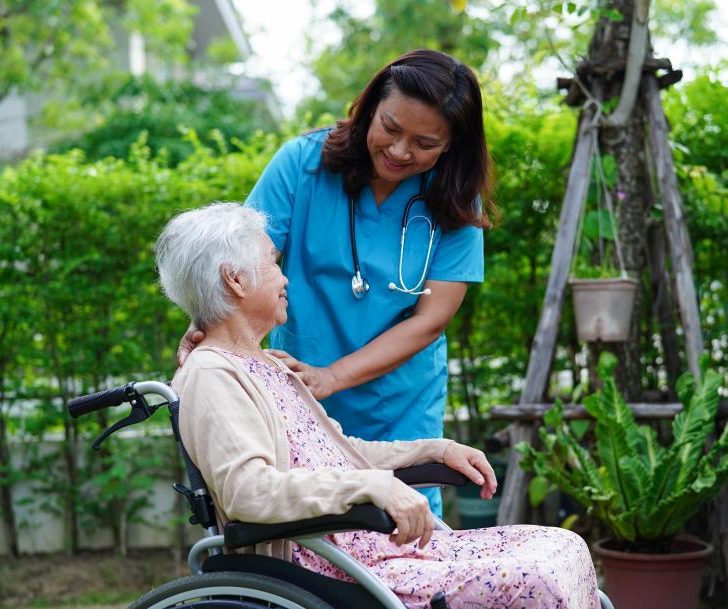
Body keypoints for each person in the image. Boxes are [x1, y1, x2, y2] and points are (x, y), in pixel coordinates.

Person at [158, 203, 604, 609]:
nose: (284, 277)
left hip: (373, 553)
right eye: (273, 263)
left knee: (562, 544)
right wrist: (373, 486)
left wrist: (436, 449)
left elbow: (344, 453)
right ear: (235, 280)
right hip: (338, 571)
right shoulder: (212, 375)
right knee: (535, 581)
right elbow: (249, 492)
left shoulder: (270, 365)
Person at [177, 49, 496, 517]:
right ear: (370, 110)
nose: (401, 151)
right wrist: (210, 325)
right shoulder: (303, 165)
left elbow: (430, 320)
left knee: (406, 522)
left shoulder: (455, 200)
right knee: (308, 519)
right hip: (296, 391)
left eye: (425, 142)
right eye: (390, 128)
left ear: (451, 145)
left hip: (399, 400)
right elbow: (242, 264)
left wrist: (334, 377)